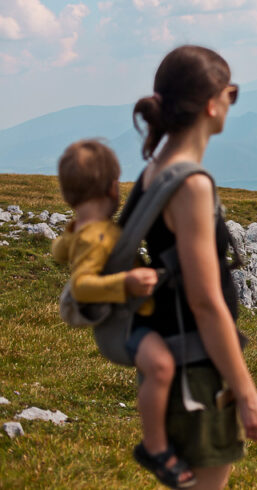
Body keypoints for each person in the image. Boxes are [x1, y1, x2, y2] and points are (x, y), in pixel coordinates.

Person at [130, 45, 257, 489]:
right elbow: (205, 301)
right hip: (196, 366)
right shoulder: (190, 184)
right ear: (212, 102)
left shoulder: (155, 169)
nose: (233, 101)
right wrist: (248, 396)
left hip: (174, 350)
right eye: (232, 92)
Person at [51, 140, 195, 487]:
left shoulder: (84, 229)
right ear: (112, 188)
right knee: (160, 366)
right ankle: (155, 447)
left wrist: (72, 231)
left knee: (160, 367)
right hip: (122, 328)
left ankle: (164, 431)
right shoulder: (93, 236)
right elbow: (83, 284)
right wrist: (126, 282)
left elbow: (58, 250)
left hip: (130, 320)